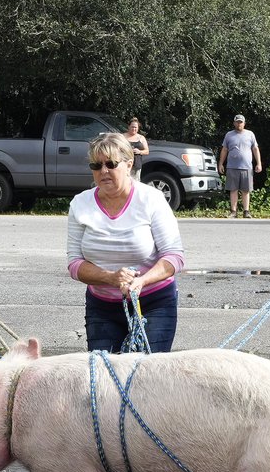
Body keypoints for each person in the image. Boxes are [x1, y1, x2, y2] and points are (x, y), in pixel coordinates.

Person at [66, 132, 185, 353]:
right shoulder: (80, 204)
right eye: (96, 165)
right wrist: (110, 278)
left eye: (111, 164)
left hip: (153, 303)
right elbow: (74, 264)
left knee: (148, 377)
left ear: (129, 164)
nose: (103, 171)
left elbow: (174, 257)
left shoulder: (151, 199)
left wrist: (142, 282)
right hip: (102, 306)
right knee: (105, 379)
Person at [219, 114, 262, 218]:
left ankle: (246, 211)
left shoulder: (250, 134)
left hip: (246, 167)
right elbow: (224, 149)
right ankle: (233, 212)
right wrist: (220, 163)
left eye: (241, 122)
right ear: (234, 123)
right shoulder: (229, 135)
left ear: (244, 123)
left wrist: (259, 163)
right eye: (237, 122)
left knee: (246, 190)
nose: (239, 124)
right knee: (233, 189)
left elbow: (255, 149)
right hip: (232, 166)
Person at [125, 116, 150, 181]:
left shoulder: (141, 138)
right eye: (132, 127)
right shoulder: (123, 136)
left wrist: (139, 151)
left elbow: (147, 151)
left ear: (138, 128)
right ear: (129, 127)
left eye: (135, 127)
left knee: (135, 183)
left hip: (136, 164)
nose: (134, 129)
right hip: (124, 164)